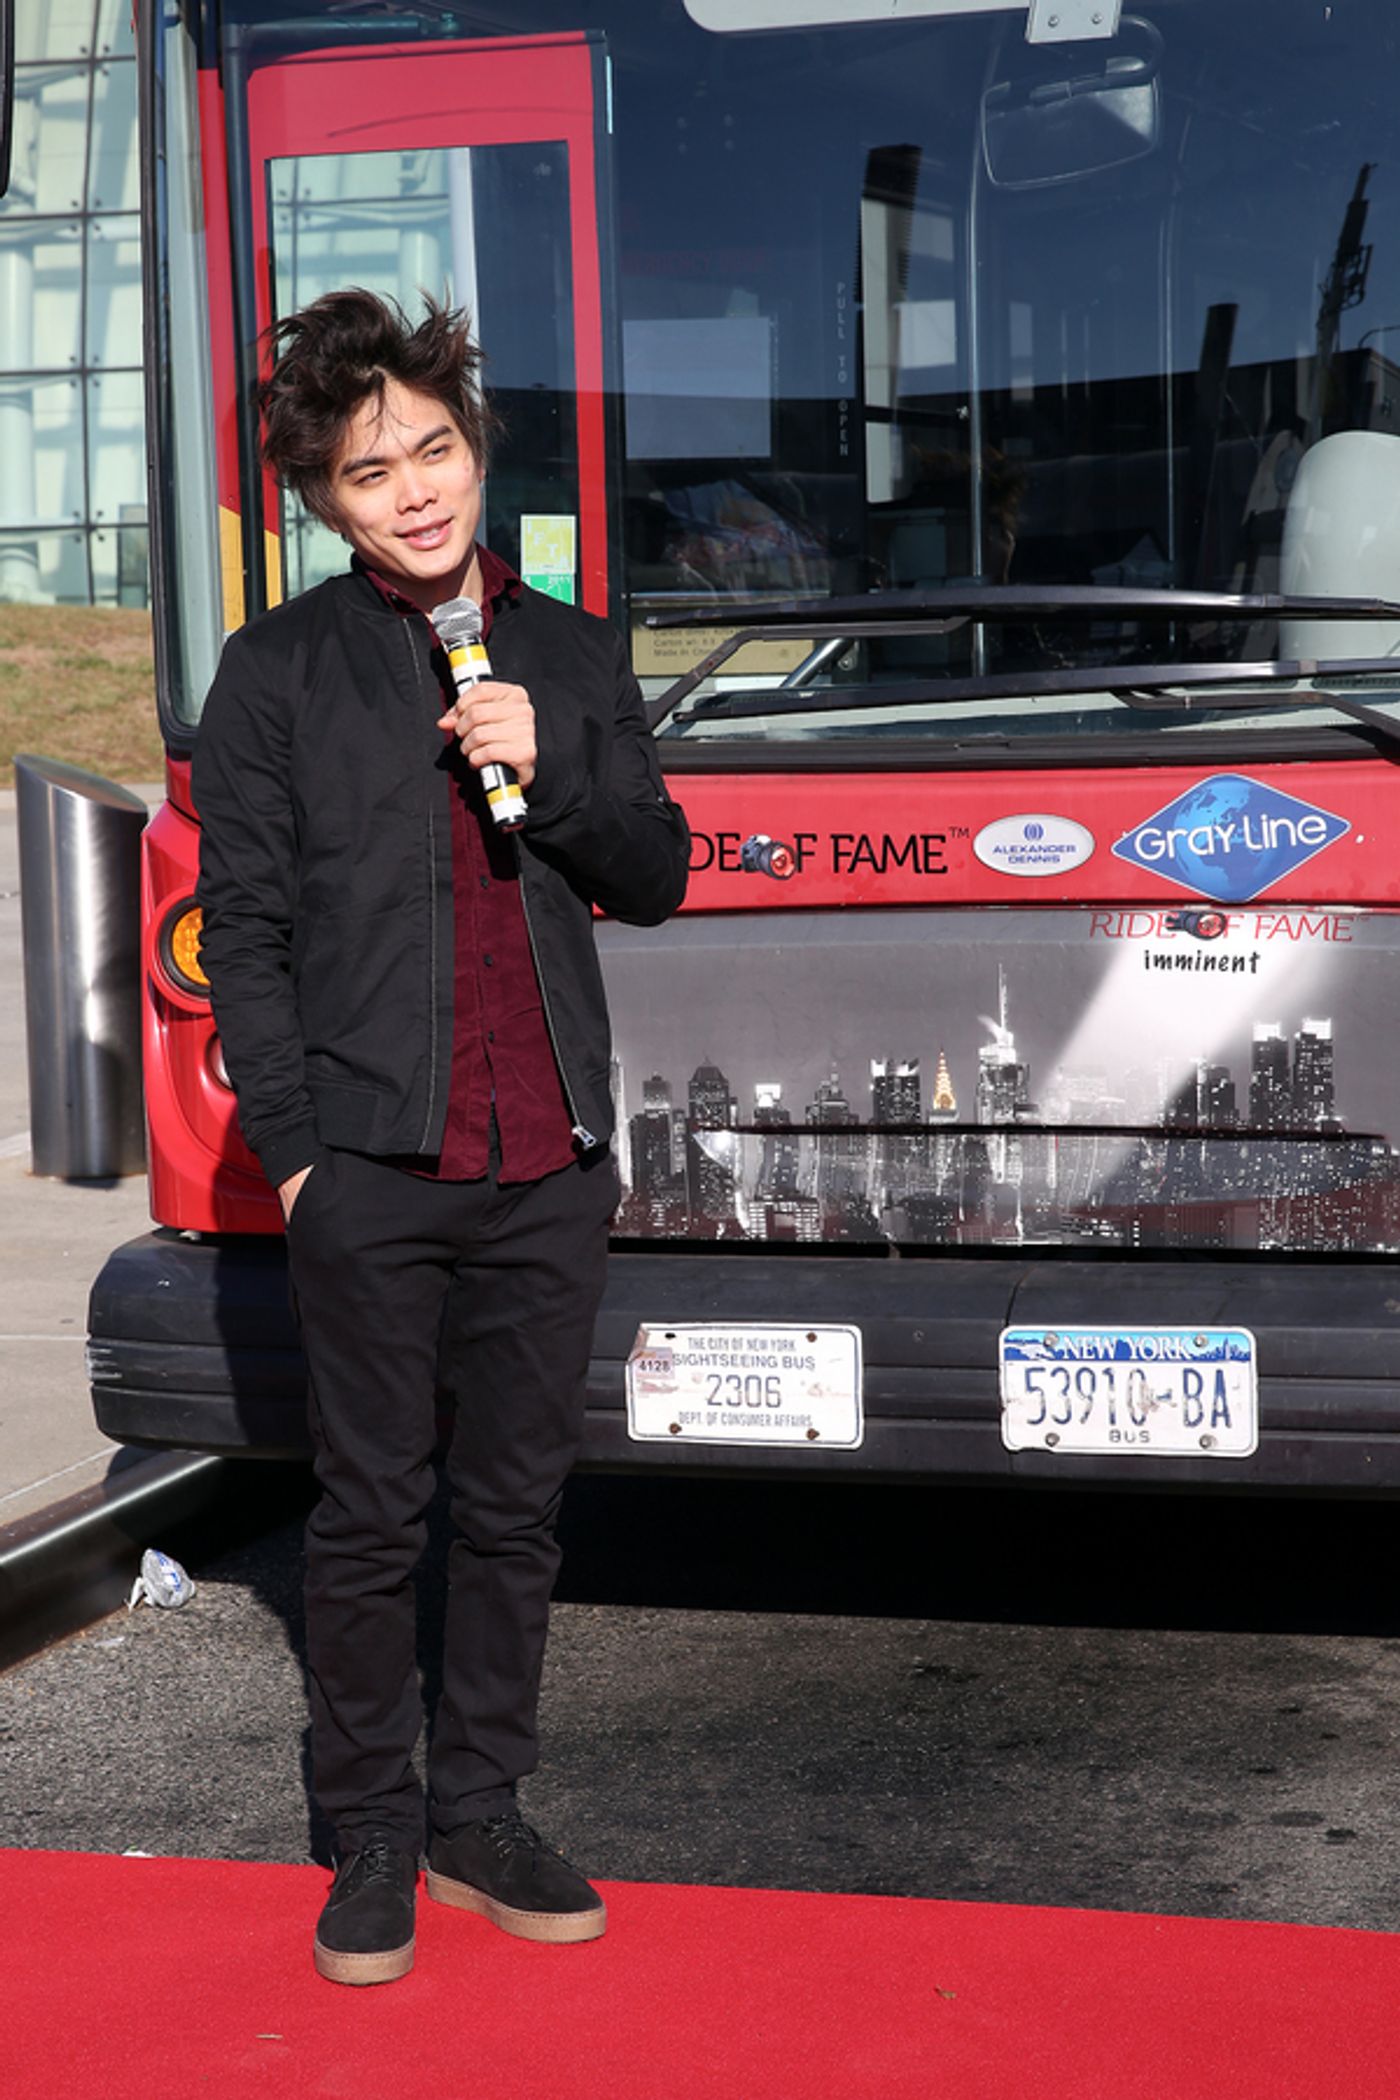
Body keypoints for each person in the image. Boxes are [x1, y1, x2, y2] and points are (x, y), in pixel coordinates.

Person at [193, 288, 690, 1985]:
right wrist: (308, 1154)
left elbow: (658, 873)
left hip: (546, 1158)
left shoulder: (572, 651)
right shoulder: (276, 675)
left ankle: (481, 1807)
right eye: (366, 469)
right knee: (364, 1512)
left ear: (476, 451)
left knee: (513, 1510)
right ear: (321, 503)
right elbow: (242, 933)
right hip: (375, 1169)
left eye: (433, 447)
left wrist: (554, 770)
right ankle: (372, 1834)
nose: (412, 489)